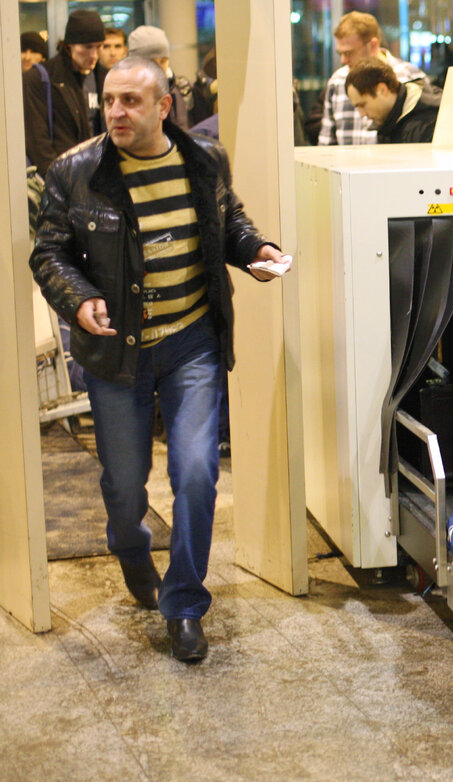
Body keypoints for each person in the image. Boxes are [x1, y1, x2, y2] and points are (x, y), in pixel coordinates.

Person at [29, 56, 289, 663]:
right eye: (110, 101)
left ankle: (185, 604)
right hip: (115, 351)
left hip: (190, 342)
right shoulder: (76, 171)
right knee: (125, 486)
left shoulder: (203, 158)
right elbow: (49, 253)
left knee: (197, 474)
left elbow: (228, 220)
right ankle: (131, 549)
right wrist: (81, 298)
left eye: (131, 102)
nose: (116, 112)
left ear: (163, 107)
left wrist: (256, 248)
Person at [317, 11, 425, 146]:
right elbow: (327, 141)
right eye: (340, 53)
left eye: (349, 52)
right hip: (346, 166)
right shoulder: (338, 80)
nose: (343, 60)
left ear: (373, 45)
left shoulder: (409, 77)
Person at [23, 9, 108, 176]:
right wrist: (59, 182)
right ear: (70, 45)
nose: (94, 55)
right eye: (87, 47)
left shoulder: (105, 77)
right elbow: (38, 142)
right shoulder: (39, 79)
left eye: (99, 47)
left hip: (101, 176)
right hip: (65, 177)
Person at [345, 60, 453, 143]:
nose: (362, 114)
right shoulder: (392, 121)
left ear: (382, 90)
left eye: (362, 105)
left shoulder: (429, 122)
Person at [126, 25, 192, 131]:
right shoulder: (123, 93)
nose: (159, 67)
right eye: (151, 62)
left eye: (163, 61)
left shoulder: (179, 89)